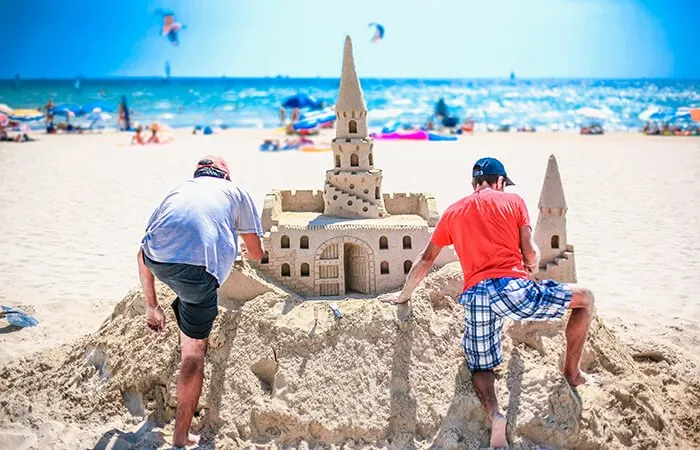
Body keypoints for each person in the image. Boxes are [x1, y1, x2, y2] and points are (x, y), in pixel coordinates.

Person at [383, 157, 596, 448]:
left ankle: (495, 414)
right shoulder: (514, 201)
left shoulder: (453, 212)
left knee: (481, 367)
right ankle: (571, 372)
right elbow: (531, 252)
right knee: (584, 299)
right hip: (512, 289)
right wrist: (531, 268)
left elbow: (425, 260)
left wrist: (404, 295)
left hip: (477, 296)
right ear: (499, 182)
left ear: (474, 184)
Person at [137, 156, 264, 448]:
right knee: (193, 353)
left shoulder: (179, 189)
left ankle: (171, 309)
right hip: (197, 274)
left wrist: (151, 304)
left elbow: (143, 250)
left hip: (158, 260)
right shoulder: (236, 192)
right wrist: (240, 245)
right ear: (226, 177)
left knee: (184, 293)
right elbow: (256, 254)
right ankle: (181, 436)